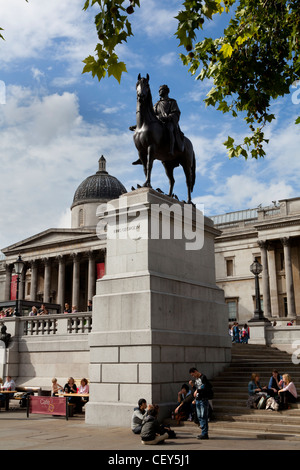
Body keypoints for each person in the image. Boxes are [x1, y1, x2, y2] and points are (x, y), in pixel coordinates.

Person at [130, 83, 184, 163]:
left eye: (161, 90)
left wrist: (167, 118)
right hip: (158, 123)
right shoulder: (156, 105)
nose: (159, 92)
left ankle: (171, 149)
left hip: (168, 122)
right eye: (159, 90)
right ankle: (143, 155)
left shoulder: (172, 102)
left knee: (169, 129)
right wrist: (137, 125)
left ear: (166, 91)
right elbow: (149, 117)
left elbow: (176, 113)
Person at [189, 367, 213, 440]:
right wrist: (193, 386)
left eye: (193, 374)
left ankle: (205, 433)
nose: (193, 376)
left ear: (196, 371)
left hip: (203, 399)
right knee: (199, 416)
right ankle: (203, 432)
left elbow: (206, 387)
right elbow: (196, 391)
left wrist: (198, 390)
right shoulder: (196, 380)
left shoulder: (203, 377)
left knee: (203, 416)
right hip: (198, 399)